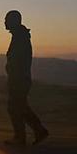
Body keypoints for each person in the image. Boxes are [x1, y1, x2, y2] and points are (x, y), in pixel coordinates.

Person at [4, 10, 48, 146]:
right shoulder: (20, 36)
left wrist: (14, 73)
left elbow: (19, 60)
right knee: (20, 106)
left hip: (19, 79)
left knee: (15, 107)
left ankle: (21, 137)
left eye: (7, 19)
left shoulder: (20, 37)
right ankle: (37, 131)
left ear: (14, 21)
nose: (4, 22)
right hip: (19, 78)